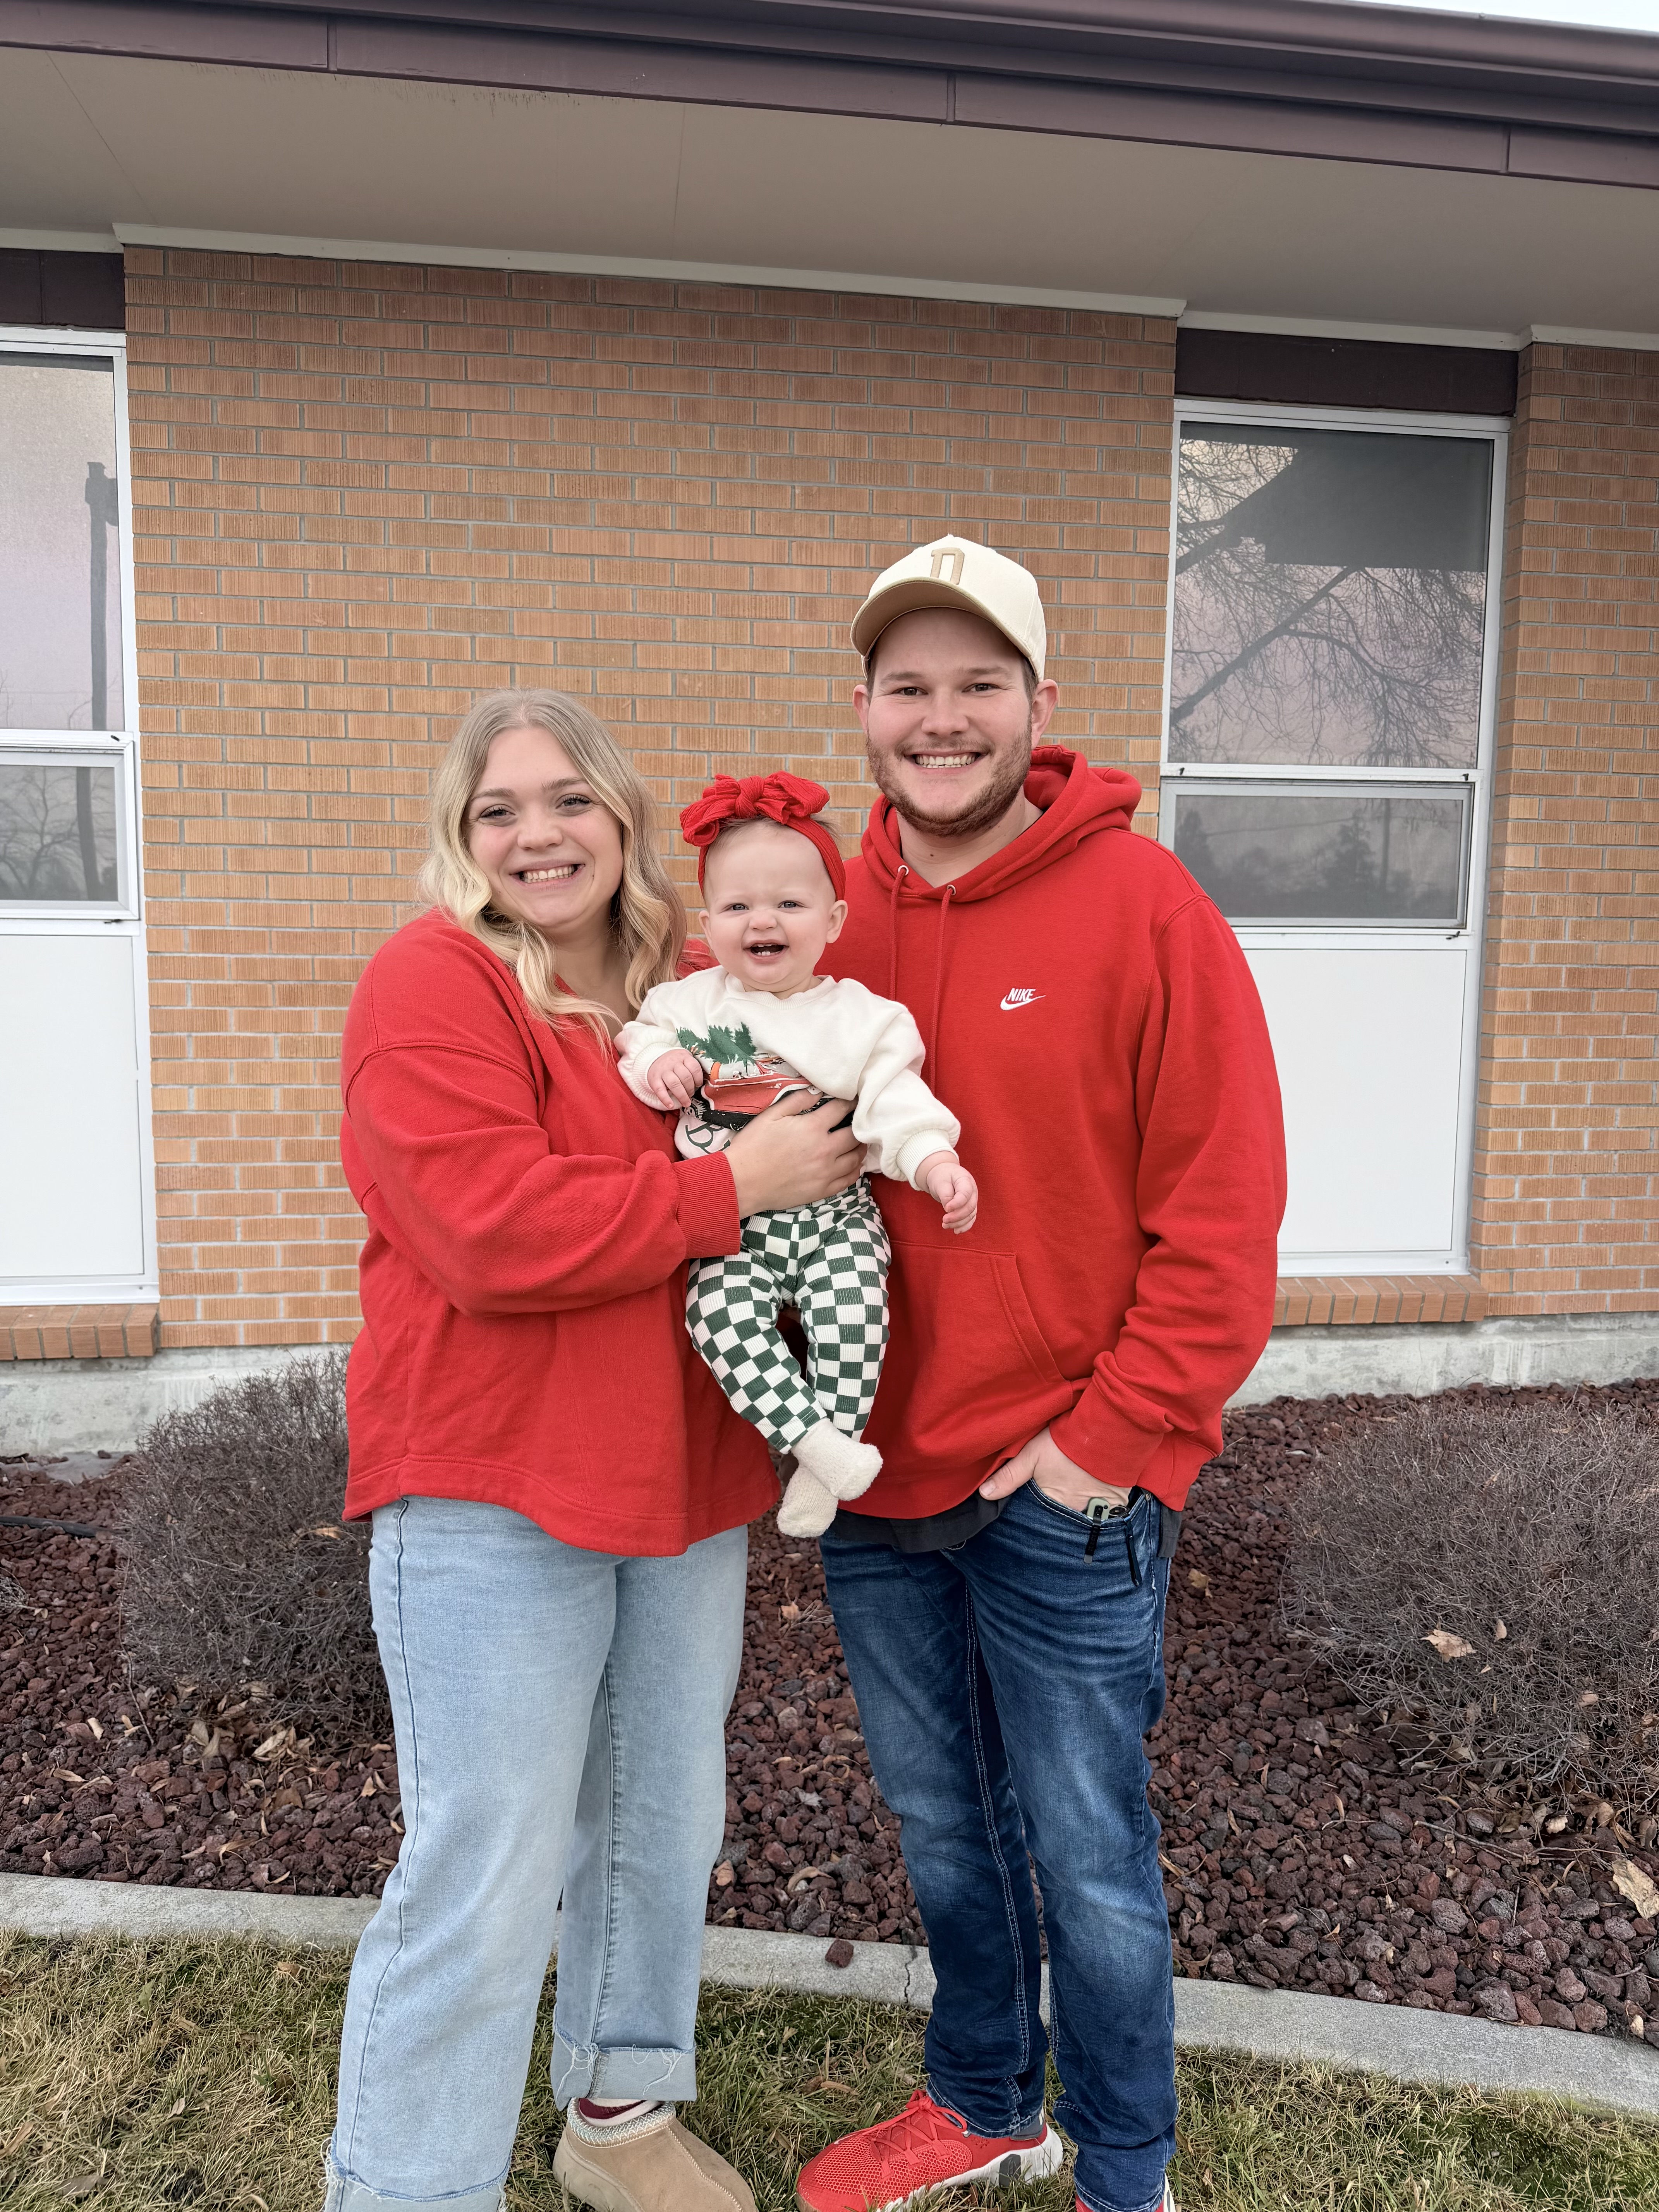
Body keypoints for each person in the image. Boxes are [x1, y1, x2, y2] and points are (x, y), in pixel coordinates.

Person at [794, 539, 1286, 2212]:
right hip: (876, 1479)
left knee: (1090, 1858)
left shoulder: (1146, 909)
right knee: (946, 1837)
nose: (942, 722)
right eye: (909, 688)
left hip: (1064, 1487)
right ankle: (987, 2097)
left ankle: (1125, 2175)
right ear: (863, 708)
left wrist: (1112, 1440)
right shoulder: (819, 913)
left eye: (977, 686)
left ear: (1038, 706)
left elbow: (1222, 1216)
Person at [325, 689, 865, 2212]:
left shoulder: (688, 993)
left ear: (619, 819)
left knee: (658, 1818)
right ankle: (405, 2190)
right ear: (463, 842)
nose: (535, 834)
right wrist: (735, 1191)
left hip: (677, 1485)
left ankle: (618, 2117)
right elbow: (486, 1232)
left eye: (566, 800)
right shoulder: (433, 984)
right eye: (497, 811)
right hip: (493, 1482)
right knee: (485, 1881)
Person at [615, 769, 977, 1538]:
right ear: (708, 922)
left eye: (788, 903)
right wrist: (658, 1067)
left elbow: (896, 1102)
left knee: (855, 1322)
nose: (761, 921)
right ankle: (817, 1444)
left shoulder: (865, 1019)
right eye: (738, 906)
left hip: (835, 1216)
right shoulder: (686, 1006)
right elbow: (637, 1041)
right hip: (734, 1225)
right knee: (717, 1318)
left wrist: (935, 1161)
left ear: (834, 918)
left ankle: (823, 1468)